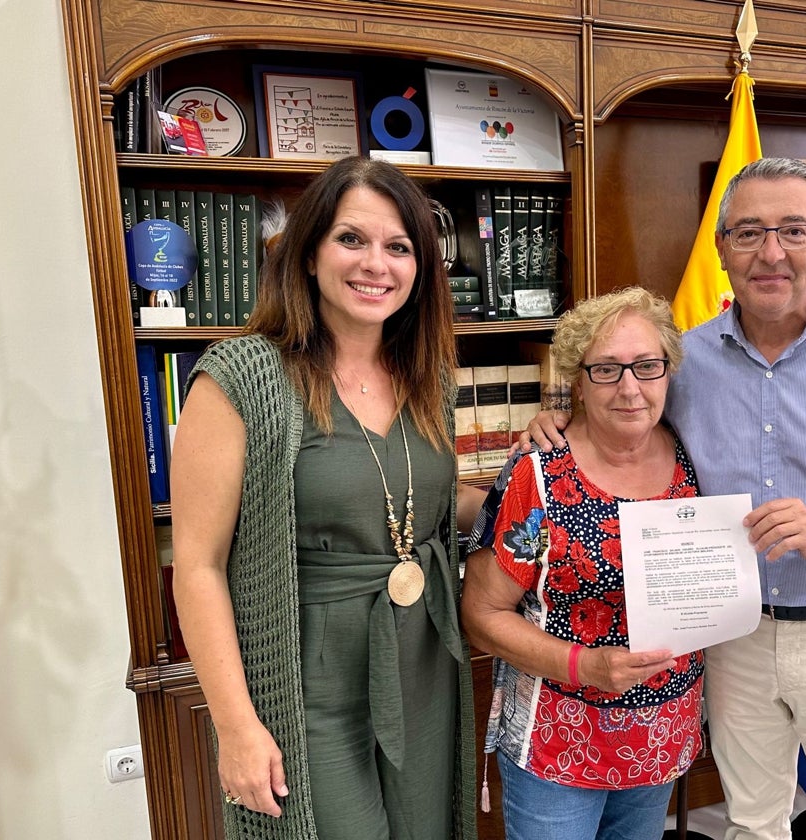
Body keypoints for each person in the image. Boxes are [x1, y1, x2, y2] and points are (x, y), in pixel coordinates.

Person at [524, 158, 806, 839]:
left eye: (793, 230)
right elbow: (623, 424)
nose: (771, 252)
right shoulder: (684, 361)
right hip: (732, 638)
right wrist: (558, 421)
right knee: (752, 825)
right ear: (722, 250)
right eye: (749, 232)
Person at [171, 156, 484, 839]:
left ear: (421, 269)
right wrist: (236, 725)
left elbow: (410, 500)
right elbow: (197, 565)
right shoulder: (242, 376)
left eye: (399, 247)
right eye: (352, 239)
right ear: (308, 254)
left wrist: (527, 488)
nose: (377, 264)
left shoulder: (428, 374)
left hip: (426, 665)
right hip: (311, 678)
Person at [461, 287, 704, 840]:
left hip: (661, 734)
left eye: (646, 366)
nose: (630, 388)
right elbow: (482, 615)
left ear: (667, 371)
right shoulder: (540, 476)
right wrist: (586, 666)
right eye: (606, 370)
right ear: (576, 379)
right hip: (558, 743)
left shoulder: (693, 454)